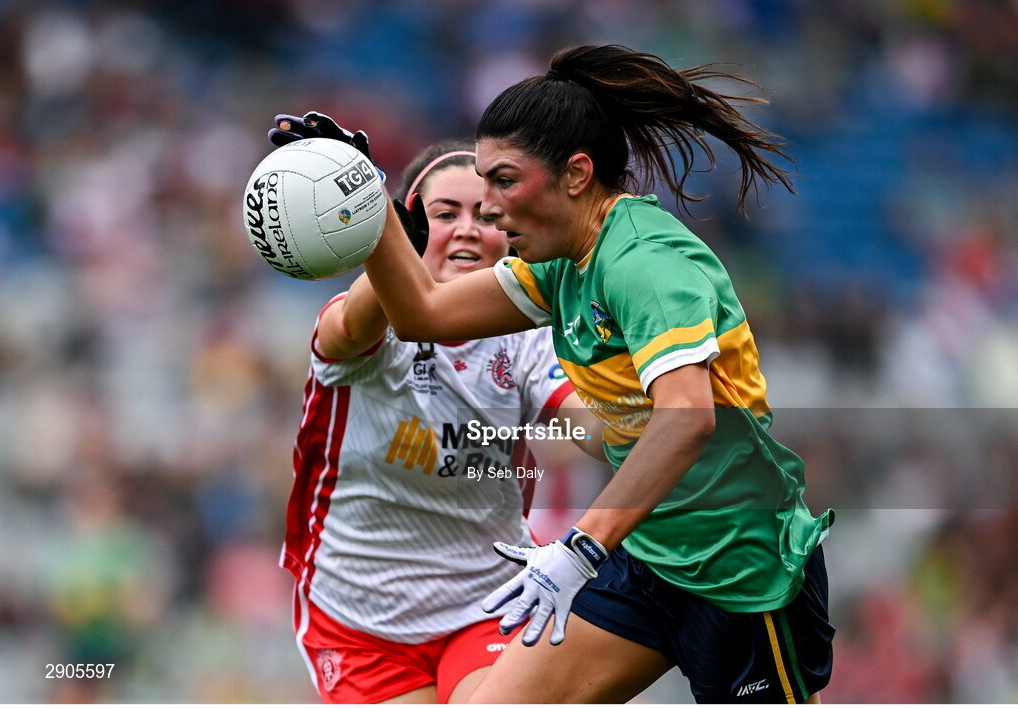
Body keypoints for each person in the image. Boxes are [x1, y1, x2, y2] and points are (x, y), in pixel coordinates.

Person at [305, 44, 835, 703]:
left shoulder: (644, 262)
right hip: (645, 555)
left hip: (738, 567)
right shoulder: (557, 263)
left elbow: (687, 419)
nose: (490, 208)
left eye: (503, 181)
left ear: (576, 175)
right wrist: (369, 197)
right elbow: (422, 312)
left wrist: (580, 547)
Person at [268, 123, 595, 703]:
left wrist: (650, 421)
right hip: (359, 616)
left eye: (487, 216)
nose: (468, 229)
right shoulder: (364, 325)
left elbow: (587, 424)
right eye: (444, 214)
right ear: (412, 226)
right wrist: (375, 219)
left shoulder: (530, 333)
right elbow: (346, 329)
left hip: (487, 599)